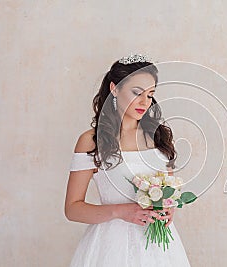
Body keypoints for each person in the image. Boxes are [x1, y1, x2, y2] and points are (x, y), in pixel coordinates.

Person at [64, 54, 191, 266]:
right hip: (110, 247)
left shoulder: (160, 137)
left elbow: (169, 190)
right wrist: (120, 211)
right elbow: (72, 208)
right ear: (115, 88)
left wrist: (169, 208)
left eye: (150, 95)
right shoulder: (92, 140)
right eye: (136, 92)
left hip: (159, 250)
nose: (144, 101)